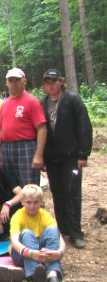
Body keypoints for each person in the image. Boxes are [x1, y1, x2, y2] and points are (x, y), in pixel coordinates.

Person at [41, 69, 92, 249]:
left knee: (72, 192)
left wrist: (83, 154)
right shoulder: (42, 103)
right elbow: (40, 131)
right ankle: (63, 230)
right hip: (52, 158)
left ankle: (76, 233)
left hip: (71, 157)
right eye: (47, 82)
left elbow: (84, 127)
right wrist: (41, 156)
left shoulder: (73, 100)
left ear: (61, 82)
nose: (51, 85)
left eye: (54, 81)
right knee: (57, 192)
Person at [0, 68, 47, 187]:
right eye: (10, 80)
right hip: (6, 148)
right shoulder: (4, 104)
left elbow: (42, 128)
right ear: (7, 83)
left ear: (24, 81)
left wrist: (38, 155)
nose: (14, 83)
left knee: (29, 186)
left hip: (26, 147)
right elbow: (0, 129)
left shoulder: (32, 101)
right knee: (10, 186)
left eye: (17, 80)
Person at [9, 184, 66, 282]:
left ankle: (52, 275)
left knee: (52, 230)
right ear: (22, 202)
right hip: (22, 253)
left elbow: (59, 238)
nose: (32, 206)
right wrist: (30, 253)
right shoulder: (17, 216)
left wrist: (59, 252)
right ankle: (35, 274)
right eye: (28, 202)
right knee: (27, 233)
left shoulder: (45, 215)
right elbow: (14, 241)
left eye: (36, 202)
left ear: (41, 202)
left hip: (42, 253)